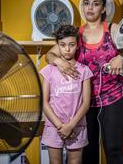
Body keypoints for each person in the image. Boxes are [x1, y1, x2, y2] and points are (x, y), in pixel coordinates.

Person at [46, 0, 123, 163]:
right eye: (87, 4)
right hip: (85, 102)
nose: (90, 8)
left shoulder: (112, 29)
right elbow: (50, 54)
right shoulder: (76, 34)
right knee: (88, 150)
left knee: (113, 148)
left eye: (96, 4)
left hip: (115, 98)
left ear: (103, 8)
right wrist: (59, 61)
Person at [40, 25, 93, 164]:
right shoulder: (49, 70)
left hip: (77, 126)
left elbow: (86, 103)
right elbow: (44, 102)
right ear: (57, 45)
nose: (67, 49)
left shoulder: (84, 71)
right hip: (53, 126)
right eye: (63, 45)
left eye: (72, 45)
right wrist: (60, 125)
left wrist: (71, 125)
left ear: (77, 45)